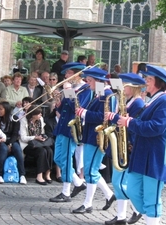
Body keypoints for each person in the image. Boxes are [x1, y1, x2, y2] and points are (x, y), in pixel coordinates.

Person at [116, 64, 166, 224]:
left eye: (149, 79)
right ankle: (150, 215)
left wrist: (130, 122)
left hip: (156, 157)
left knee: (152, 199)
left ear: (159, 82)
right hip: (143, 155)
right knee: (132, 190)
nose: (145, 81)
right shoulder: (153, 100)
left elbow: (157, 127)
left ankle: (152, 217)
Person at [72, 67, 116, 214]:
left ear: (98, 81)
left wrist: (83, 113)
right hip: (92, 135)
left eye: (90, 80)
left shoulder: (107, 94)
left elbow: (103, 117)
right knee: (92, 169)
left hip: (98, 137)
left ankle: (87, 203)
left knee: (91, 170)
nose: (87, 83)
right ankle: (109, 196)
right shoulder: (100, 94)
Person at [104, 73, 145, 225]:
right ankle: (121, 216)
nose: (122, 87)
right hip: (121, 144)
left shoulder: (138, 104)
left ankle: (138, 209)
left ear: (133, 88)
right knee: (117, 182)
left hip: (127, 146)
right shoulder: (128, 101)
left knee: (120, 182)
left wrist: (113, 117)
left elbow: (132, 126)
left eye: (125, 85)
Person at [49, 62, 90, 203]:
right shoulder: (71, 88)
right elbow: (62, 110)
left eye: (68, 73)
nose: (65, 76)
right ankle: (78, 183)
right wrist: (58, 101)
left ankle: (65, 192)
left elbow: (77, 108)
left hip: (72, 128)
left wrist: (68, 92)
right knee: (58, 158)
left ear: (76, 74)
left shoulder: (85, 89)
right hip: (62, 126)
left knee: (66, 159)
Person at [0, 101, 27, 185]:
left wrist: (11, 143)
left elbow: (15, 134)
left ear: (6, 109)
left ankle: (22, 175)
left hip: (12, 140)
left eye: (1, 109)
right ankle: (0, 174)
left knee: (17, 150)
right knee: (4, 150)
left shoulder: (14, 118)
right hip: (1, 140)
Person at [19, 106, 53, 185]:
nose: (40, 115)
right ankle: (39, 175)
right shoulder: (24, 121)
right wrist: (35, 137)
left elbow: (42, 132)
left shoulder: (40, 120)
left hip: (39, 143)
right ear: (33, 115)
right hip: (28, 144)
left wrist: (42, 137)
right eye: (38, 113)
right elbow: (23, 137)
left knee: (49, 150)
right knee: (42, 151)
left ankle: (48, 173)